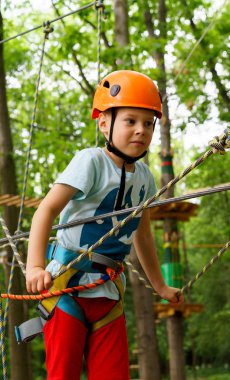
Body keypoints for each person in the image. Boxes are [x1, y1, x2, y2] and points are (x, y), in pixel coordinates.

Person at [26, 70, 184, 380]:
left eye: (147, 123)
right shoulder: (91, 162)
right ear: (104, 124)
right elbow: (46, 210)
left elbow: (142, 234)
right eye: (130, 121)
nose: (140, 130)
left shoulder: (145, 178)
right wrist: (34, 267)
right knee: (63, 374)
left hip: (109, 294)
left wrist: (159, 285)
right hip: (67, 288)